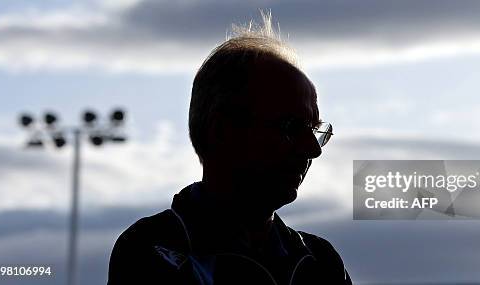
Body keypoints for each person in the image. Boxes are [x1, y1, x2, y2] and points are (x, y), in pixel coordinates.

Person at [107, 12, 351, 285]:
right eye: (291, 126)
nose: (312, 150)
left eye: (315, 131)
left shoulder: (321, 261)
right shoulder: (154, 249)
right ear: (222, 130)